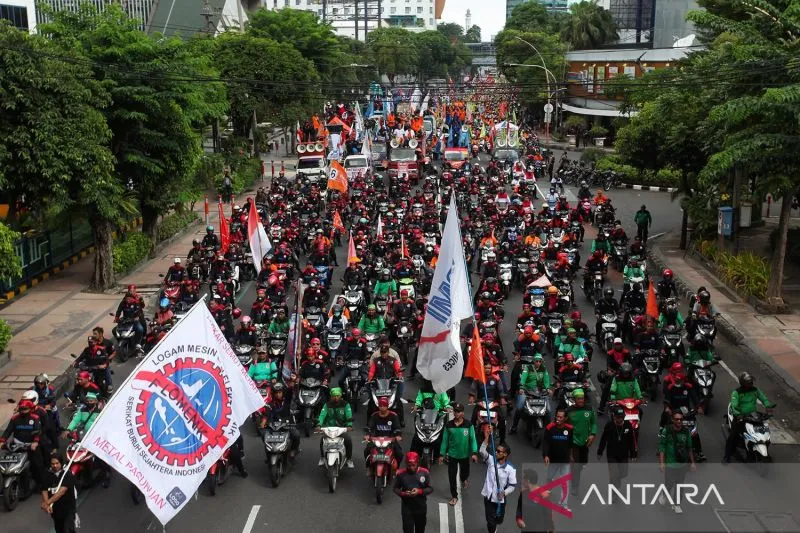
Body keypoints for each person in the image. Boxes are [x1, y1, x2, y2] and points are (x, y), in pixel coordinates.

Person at [724, 372, 775, 463]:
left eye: (751, 382)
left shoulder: (755, 390)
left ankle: (765, 451)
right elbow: (734, 406)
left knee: (765, 433)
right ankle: (726, 456)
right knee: (732, 437)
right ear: (743, 383)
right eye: (749, 382)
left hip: (754, 415)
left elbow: (763, 398)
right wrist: (738, 414)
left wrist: (768, 406)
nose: (751, 383)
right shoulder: (736, 393)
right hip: (741, 417)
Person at [439, 402, 478, 506]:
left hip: (464, 455)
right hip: (452, 455)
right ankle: (454, 496)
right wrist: (441, 454)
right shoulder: (449, 425)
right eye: (455, 411)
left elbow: (473, 439)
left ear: (463, 413)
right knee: (452, 477)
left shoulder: (469, 425)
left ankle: (464, 478)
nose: (456, 414)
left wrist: (474, 453)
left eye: (458, 412)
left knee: (464, 473)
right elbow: (445, 441)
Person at [658, 409, 696, 514]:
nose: (679, 421)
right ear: (672, 420)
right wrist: (661, 463)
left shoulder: (686, 431)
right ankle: (664, 494)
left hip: (682, 464)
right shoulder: (667, 431)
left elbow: (689, 448)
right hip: (670, 463)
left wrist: (692, 462)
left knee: (680, 485)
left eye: (681, 419)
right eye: (676, 419)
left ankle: (676, 504)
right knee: (669, 483)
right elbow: (662, 446)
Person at [1, 398, 44, 489]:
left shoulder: (35, 418)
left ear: (30, 409)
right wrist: (2, 441)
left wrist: (35, 442)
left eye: (25, 409)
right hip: (16, 445)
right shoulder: (14, 418)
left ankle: (40, 485)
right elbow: (8, 431)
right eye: (21, 409)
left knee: (37, 464)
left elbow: (38, 431)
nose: (22, 411)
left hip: (30, 445)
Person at [479, 436, 517, 533]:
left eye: (499, 451)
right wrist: (487, 437)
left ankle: (494, 526)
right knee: (490, 521)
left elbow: (512, 486)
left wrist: (504, 493)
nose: (496, 452)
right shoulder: (491, 460)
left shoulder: (510, 469)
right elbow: (482, 451)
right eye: (496, 450)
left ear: (505, 454)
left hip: (500, 499)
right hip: (488, 497)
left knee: (498, 520)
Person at [596, 405, 638, 490]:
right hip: (612, 455)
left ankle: (615, 481)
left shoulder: (628, 425)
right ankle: (614, 492)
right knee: (614, 473)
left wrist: (633, 454)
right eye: (617, 417)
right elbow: (603, 439)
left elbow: (631, 440)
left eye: (621, 417)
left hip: (623, 454)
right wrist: (600, 452)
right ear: (614, 416)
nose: (619, 419)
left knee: (623, 473)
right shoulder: (609, 425)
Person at [566, 388, 596, 497]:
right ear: (574, 399)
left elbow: (594, 423)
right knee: (576, 466)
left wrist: (592, 434)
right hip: (574, 442)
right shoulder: (569, 411)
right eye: (578, 399)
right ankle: (575, 486)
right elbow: (563, 425)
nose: (581, 400)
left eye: (582, 398)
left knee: (583, 462)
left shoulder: (589, 409)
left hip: (585, 441)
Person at [394, 451, 433, 533]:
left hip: (421, 508)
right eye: (409, 465)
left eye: (413, 465)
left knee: (420, 530)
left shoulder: (425, 472)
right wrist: (403, 493)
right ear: (406, 464)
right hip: (407, 508)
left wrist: (419, 491)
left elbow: (430, 488)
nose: (411, 467)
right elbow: (395, 488)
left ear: (417, 463)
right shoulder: (400, 474)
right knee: (407, 530)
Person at [510, 355, 551, 434]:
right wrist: (521, 387)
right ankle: (514, 427)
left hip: (540, 392)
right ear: (533, 361)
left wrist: (547, 388)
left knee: (548, 410)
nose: (538, 363)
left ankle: (548, 430)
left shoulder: (544, 369)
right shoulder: (528, 368)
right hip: (527, 391)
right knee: (519, 408)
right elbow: (523, 378)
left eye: (540, 361)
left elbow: (546, 380)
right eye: (536, 361)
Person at [542, 408, 572, 510]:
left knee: (565, 483)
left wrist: (572, 456)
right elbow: (546, 443)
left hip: (565, 461)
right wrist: (546, 455)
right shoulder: (550, 428)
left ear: (565, 418)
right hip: (553, 459)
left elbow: (571, 444)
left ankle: (563, 504)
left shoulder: (570, 429)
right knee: (549, 478)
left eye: (560, 417)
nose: (558, 419)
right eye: (557, 416)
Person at [317, 388, 354, 468]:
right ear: (331, 396)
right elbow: (322, 415)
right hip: (329, 428)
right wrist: (319, 424)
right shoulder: (327, 405)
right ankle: (322, 458)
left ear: (340, 395)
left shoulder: (346, 404)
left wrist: (349, 425)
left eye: (338, 396)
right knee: (322, 440)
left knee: (348, 440)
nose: (336, 398)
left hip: (341, 428)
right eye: (334, 396)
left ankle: (349, 459)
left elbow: (349, 415)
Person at [41, 454, 77, 533]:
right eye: (52, 464)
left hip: (68, 508)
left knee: (68, 529)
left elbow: (62, 491)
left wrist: (47, 503)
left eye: (57, 463)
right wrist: (47, 505)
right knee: (59, 529)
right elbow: (44, 490)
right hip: (56, 510)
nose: (55, 466)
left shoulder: (67, 474)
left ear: (61, 463)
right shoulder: (47, 474)